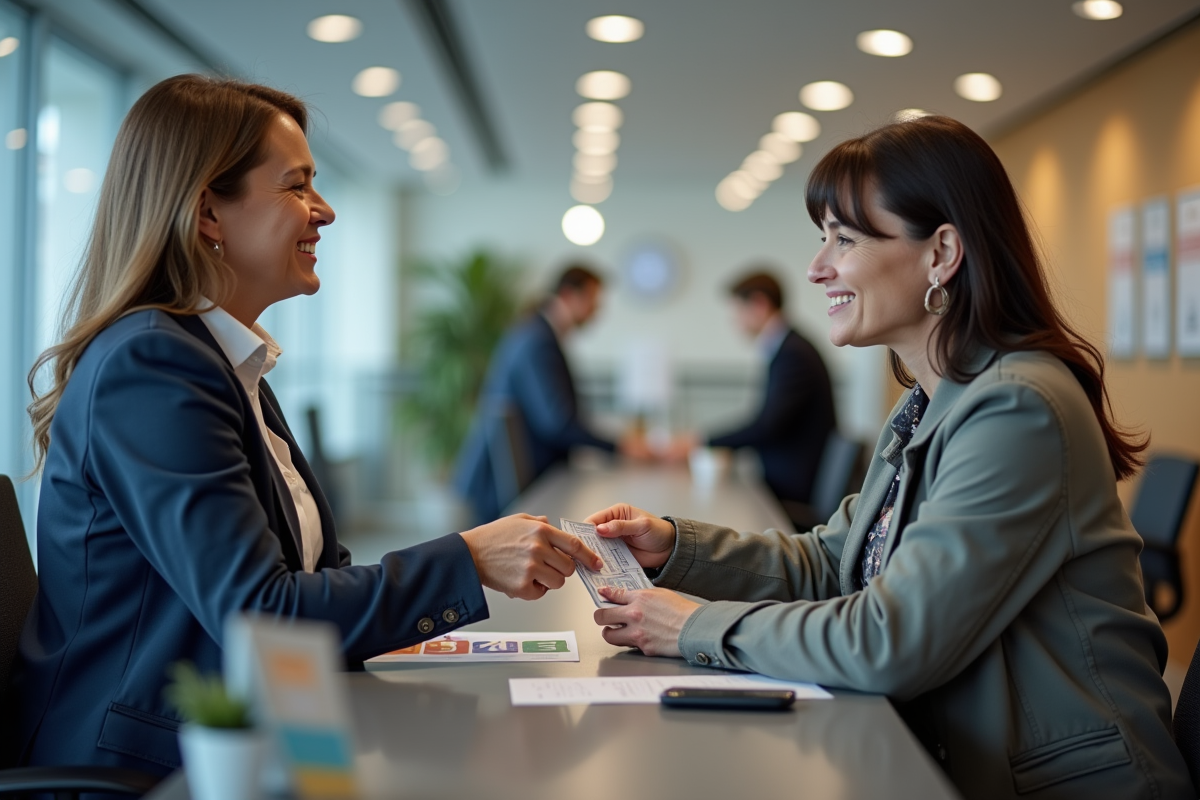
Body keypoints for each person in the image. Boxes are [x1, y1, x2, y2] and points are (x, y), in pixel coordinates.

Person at [582, 116, 1193, 799]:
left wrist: (694, 625)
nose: (817, 267)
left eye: (844, 239)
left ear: (942, 254)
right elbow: (833, 563)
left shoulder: (1016, 408)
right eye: (823, 238)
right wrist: (676, 547)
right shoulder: (928, 403)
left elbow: (891, 641)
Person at [9, 75, 601, 777]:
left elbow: (314, 578)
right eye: (296, 186)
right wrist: (467, 560)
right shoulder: (153, 365)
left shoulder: (224, 361)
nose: (324, 210)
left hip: (258, 732)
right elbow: (262, 614)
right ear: (208, 213)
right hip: (146, 769)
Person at [454, 265, 648, 524]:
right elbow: (558, 422)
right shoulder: (538, 341)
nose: (596, 311)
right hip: (507, 489)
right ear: (568, 295)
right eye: (593, 300)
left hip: (520, 483)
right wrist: (620, 446)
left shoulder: (537, 333)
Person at [705, 270, 836, 524]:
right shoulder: (786, 347)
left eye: (738, 311)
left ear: (759, 304)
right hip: (785, 480)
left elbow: (767, 426)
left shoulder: (793, 353)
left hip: (792, 491)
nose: (735, 321)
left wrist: (703, 440)